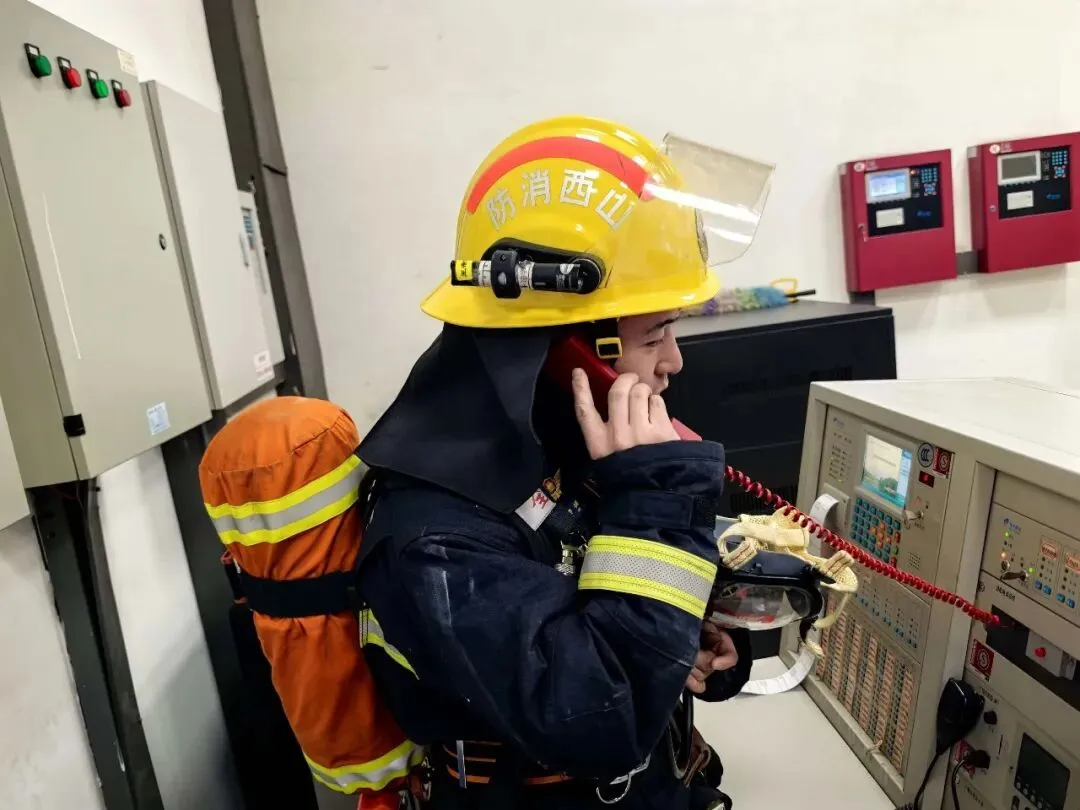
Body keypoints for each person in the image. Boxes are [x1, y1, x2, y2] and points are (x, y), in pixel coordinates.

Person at [355, 115, 774, 809]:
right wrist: (656, 503)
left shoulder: (561, 448)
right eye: (656, 335)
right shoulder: (435, 537)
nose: (674, 362)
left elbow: (606, 599)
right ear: (568, 346)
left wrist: (694, 643)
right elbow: (600, 718)